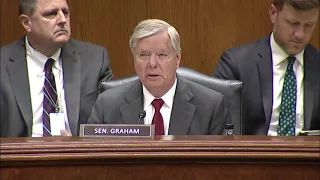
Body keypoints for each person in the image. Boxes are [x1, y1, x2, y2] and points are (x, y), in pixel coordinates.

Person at [88, 19, 227, 135]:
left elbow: (221, 165)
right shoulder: (106, 105)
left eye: (162, 55)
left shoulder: (210, 106)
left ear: (177, 58)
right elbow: (93, 159)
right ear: (134, 60)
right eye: (144, 55)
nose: (152, 64)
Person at [0, 0, 113, 137]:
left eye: (65, 12)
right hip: (19, 155)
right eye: (51, 14)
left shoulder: (94, 60)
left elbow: (110, 122)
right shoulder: (3, 63)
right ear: (26, 23)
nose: (62, 20)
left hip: (77, 154)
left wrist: (76, 146)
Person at [212, 0, 320, 135]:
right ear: (274, 13)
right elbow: (216, 128)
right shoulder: (236, 64)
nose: (300, 34)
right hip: (252, 154)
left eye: (309, 25)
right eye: (293, 23)